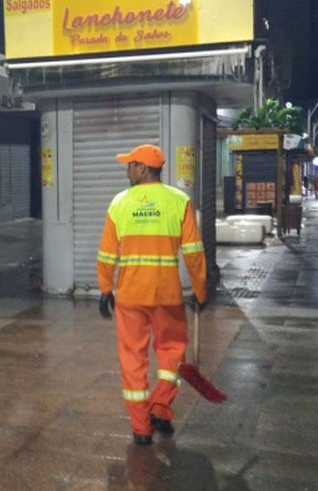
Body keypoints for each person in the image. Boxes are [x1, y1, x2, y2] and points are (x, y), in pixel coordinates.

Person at [96, 144, 207, 445]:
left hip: (131, 297)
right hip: (167, 295)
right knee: (172, 353)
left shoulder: (119, 203)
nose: (127, 170)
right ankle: (161, 406)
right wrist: (200, 290)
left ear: (143, 169)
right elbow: (194, 253)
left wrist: (106, 288)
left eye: (130, 165)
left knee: (133, 359)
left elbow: (107, 253)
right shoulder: (179, 201)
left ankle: (141, 428)